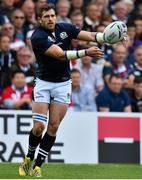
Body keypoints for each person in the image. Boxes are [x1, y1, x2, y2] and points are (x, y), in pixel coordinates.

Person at [18, 4, 125, 177]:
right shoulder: (37, 36)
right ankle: (29, 158)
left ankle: (37, 165)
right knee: (38, 127)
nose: (51, 19)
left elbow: (90, 35)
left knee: (53, 126)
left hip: (63, 84)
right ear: (39, 19)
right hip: (44, 82)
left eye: (52, 15)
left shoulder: (65, 28)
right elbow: (60, 54)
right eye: (46, 16)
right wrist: (86, 52)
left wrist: (113, 37)